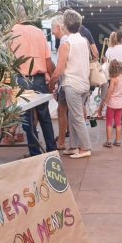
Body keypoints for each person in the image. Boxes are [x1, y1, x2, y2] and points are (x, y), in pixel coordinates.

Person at [10, 10, 57, 156]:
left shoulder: (10, 32)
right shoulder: (38, 32)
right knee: (44, 116)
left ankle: (34, 152)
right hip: (39, 78)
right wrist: (52, 80)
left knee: (27, 119)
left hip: (21, 79)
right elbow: (48, 60)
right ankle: (51, 150)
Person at [49, 10, 91, 159]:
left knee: (77, 117)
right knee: (74, 116)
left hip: (72, 83)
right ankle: (73, 146)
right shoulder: (83, 40)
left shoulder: (67, 43)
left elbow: (59, 69)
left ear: (65, 25)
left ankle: (85, 147)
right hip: (84, 83)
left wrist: (51, 82)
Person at [51, 15, 69, 150]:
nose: (52, 32)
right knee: (66, 111)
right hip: (72, 82)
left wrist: (52, 82)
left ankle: (62, 141)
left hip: (67, 82)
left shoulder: (64, 41)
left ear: (58, 27)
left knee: (62, 111)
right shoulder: (70, 40)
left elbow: (60, 68)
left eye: (53, 28)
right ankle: (64, 138)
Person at [103, 60, 122, 147]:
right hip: (120, 105)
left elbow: (110, 91)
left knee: (109, 122)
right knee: (118, 122)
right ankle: (118, 140)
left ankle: (109, 141)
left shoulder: (113, 80)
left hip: (111, 104)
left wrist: (106, 100)